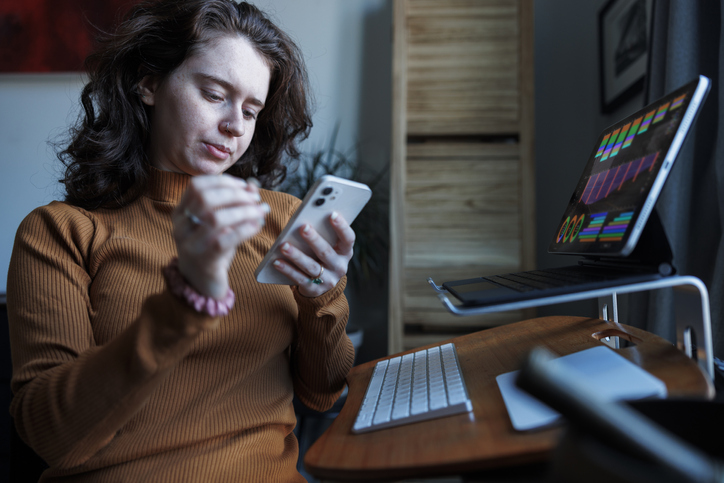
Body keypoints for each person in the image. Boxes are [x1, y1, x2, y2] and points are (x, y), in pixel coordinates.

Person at [6, 1, 356, 481]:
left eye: (251, 110)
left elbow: (324, 393)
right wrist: (187, 297)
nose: (236, 125)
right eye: (215, 95)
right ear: (148, 82)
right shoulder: (62, 232)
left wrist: (322, 294)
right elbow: (52, 437)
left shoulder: (281, 222)